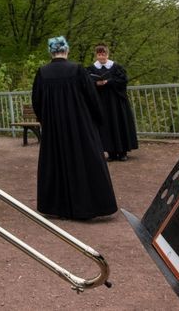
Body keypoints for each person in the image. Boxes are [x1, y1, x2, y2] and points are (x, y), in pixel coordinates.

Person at [31, 36, 118, 220]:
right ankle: (86, 207)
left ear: (51, 52)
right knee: (84, 162)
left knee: (57, 164)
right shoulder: (77, 70)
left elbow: (36, 101)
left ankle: (58, 207)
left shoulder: (42, 72)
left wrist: (44, 120)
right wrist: (96, 119)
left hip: (54, 129)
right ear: (66, 50)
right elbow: (91, 96)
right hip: (79, 126)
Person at [90, 43, 139, 161]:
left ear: (107, 54)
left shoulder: (116, 67)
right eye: (99, 54)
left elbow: (123, 81)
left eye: (103, 54)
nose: (101, 57)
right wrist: (96, 83)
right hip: (102, 103)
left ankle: (122, 152)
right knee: (106, 126)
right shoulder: (91, 69)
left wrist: (109, 82)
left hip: (117, 102)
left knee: (119, 124)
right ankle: (111, 152)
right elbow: (87, 83)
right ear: (96, 55)